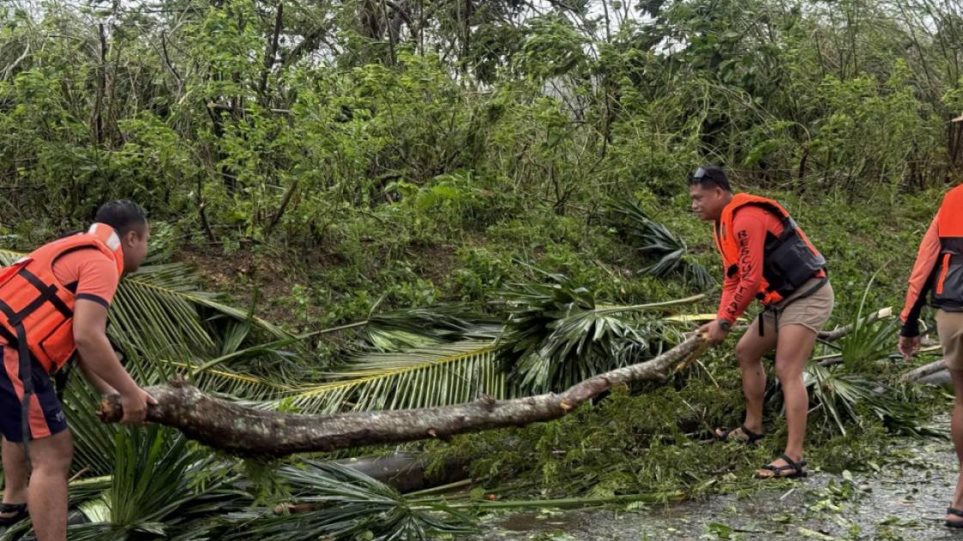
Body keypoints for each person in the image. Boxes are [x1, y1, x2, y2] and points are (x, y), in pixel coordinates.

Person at [0, 200, 156, 540]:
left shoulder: (73, 247)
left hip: (8, 347)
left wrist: (111, 392)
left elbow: (78, 342)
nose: (146, 249)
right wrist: (131, 394)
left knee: (22, 424)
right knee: (54, 454)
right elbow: (88, 337)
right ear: (131, 237)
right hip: (10, 352)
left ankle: (14, 502)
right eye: (146, 240)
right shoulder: (101, 262)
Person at [688, 166, 834, 479]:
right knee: (747, 351)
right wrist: (720, 319)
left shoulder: (746, 218)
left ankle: (794, 457)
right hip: (779, 301)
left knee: (788, 369)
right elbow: (734, 280)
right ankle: (752, 428)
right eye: (692, 199)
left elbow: (752, 279)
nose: (694, 205)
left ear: (718, 192)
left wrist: (725, 322)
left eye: (699, 198)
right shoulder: (722, 226)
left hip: (807, 295)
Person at [898, 183, 963, 528]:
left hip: (952, 312)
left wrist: (909, 323)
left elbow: (925, 265)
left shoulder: (952, 200)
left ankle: (960, 500)